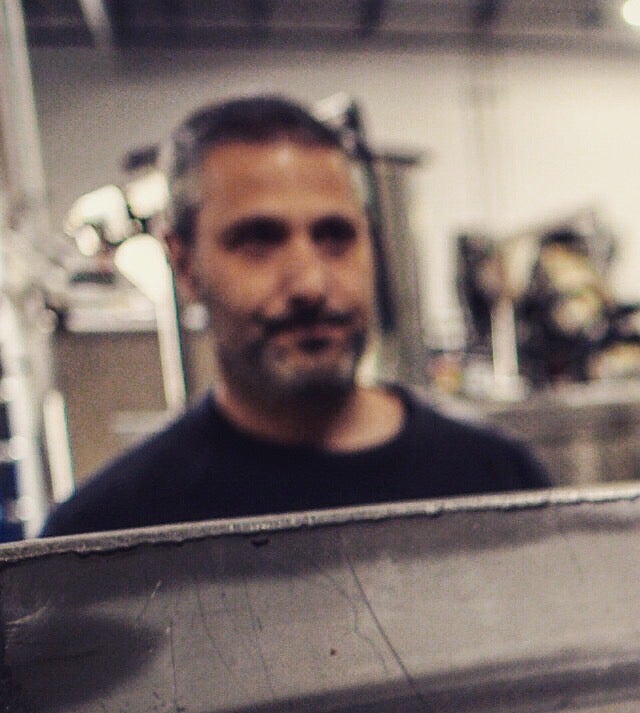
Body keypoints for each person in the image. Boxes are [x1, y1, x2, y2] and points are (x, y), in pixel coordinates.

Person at [43, 95, 550, 537]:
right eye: (258, 240)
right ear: (185, 265)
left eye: (335, 236)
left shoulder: (501, 484)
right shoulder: (108, 537)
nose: (310, 284)